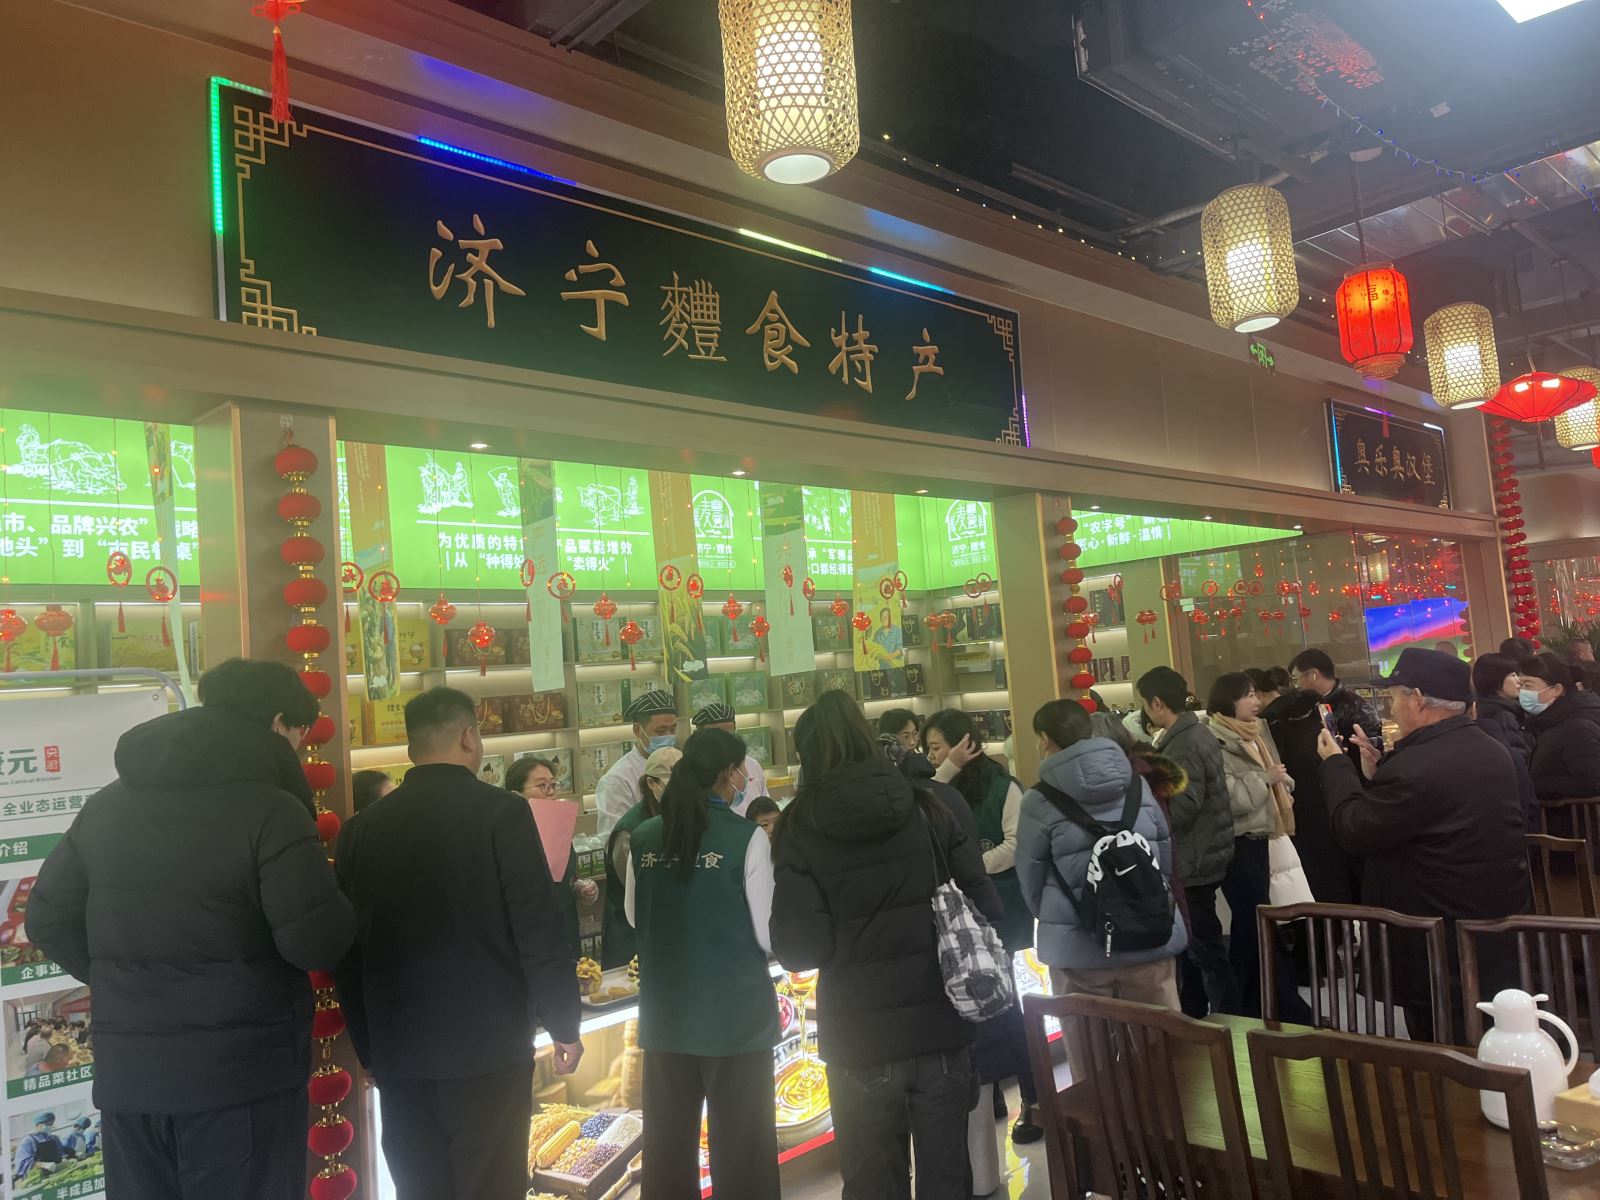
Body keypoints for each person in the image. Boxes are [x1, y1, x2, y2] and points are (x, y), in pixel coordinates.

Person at [26, 658, 354, 1200]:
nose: (299, 748)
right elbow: (315, 942)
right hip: (241, 1078)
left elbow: (45, 919)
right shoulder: (270, 810)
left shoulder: (107, 804)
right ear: (278, 724)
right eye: (300, 733)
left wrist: (126, 980)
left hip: (131, 1082)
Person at [333, 687, 582, 1200]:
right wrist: (564, 1022)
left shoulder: (360, 829)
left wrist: (368, 1048)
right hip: (488, 1044)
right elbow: (537, 926)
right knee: (491, 1183)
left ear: (411, 746)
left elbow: (348, 948)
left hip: (399, 1047)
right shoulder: (502, 813)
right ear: (469, 736)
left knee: (421, 1185)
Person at [770, 691, 1000, 1200]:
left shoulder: (799, 826)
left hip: (859, 1038)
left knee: (873, 1184)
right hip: (941, 1025)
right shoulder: (926, 805)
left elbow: (800, 948)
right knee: (948, 1180)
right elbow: (987, 905)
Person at [1318, 648, 1530, 1043]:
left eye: (1394, 697)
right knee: (1486, 1036)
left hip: (1434, 937)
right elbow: (1426, 811)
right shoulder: (1487, 747)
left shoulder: (1416, 765)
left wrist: (1336, 765)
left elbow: (1356, 831)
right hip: (1486, 921)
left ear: (1417, 698)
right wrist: (1378, 772)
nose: (1392, 708)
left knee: (1444, 1044)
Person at [625, 728, 780, 1200]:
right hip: (735, 1019)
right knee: (743, 1151)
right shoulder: (747, 838)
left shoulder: (644, 837)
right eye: (741, 771)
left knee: (667, 1151)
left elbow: (634, 916)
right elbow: (768, 933)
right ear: (729, 774)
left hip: (665, 1016)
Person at [1017, 700, 1187, 1076]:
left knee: (1091, 1063)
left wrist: (1060, 917)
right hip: (1149, 938)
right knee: (1162, 1055)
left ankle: (1106, 1116)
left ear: (1045, 739)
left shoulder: (1039, 800)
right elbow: (1163, 856)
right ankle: (1164, 1112)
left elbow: (1030, 880)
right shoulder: (1137, 785)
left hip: (1080, 950)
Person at [922, 708, 1038, 1143]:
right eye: (928, 749)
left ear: (963, 742)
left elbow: (1014, 844)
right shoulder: (939, 788)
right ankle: (990, 1094)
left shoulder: (1003, 786)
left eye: (936, 747)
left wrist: (968, 866)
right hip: (960, 918)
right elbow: (923, 805)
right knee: (979, 1013)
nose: (931, 757)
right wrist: (947, 770)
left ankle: (1033, 1097)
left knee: (1005, 1007)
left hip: (999, 910)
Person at [1207, 673, 1311, 1023]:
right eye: (1247, 695)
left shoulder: (1256, 732)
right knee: (1257, 921)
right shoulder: (1216, 738)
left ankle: (1247, 1002)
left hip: (1264, 835)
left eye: (1254, 694)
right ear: (1228, 700)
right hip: (1238, 840)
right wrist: (1267, 780)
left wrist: (1283, 785)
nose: (1255, 701)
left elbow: (1276, 772)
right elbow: (1229, 796)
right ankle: (1281, 1004)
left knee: (1253, 924)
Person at [1135, 666, 1235, 1017]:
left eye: (1144, 704)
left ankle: (1228, 1020)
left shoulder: (1184, 743)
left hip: (1193, 857)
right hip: (1204, 850)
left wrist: (1152, 824)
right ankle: (1196, 1015)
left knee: (1204, 948)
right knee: (1195, 947)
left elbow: (1185, 805)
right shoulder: (1194, 733)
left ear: (1157, 703)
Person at [507, 756, 598, 958]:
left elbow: (567, 876)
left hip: (565, 932)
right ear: (516, 795)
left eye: (553, 785)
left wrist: (579, 887)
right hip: (529, 938)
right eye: (542, 786)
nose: (550, 792)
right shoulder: (507, 837)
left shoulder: (559, 829)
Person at [602, 745, 679, 969]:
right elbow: (635, 890)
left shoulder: (676, 818)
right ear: (651, 783)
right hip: (631, 935)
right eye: (673, 785)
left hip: (669, 930)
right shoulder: (630, 831)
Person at [1519, 653, 1600, 803]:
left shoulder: (1577, 728)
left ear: (1557, 689)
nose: (1522, 692)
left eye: (1528, 685)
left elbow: (1592, 782)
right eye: (1521, 685)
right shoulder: (1546, 722)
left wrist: (1535, 784)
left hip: (1572, 816)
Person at [1287, 648, 1385, 770]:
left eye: (1296, 679)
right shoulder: (1305, 705)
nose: (1296, 686)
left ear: (1313, 674)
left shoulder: (1356, 707)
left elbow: (1374, 754)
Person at [596, 690, 678, 835]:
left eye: (672, 729)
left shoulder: (681, 763)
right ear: (638, 730)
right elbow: (616, 838)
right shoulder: (618, 779)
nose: (668, 736)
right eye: (660, 731)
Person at [1471, 653, 1537, 829]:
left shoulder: (1492, 709)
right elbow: (1519, 759)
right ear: (1495, 679)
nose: (1519, 681)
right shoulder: (1503, 715)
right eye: (1513, 675)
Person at [691, 702, 768, 814]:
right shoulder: (693, 769)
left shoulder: (752, 765)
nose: (724, 741)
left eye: (728, 733)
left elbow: (765, 805)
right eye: (718, 735)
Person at [13, 1112, 63, 1182]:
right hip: (37, 1177)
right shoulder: (28, 1140)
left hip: (54, 1173)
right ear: (37, 1124)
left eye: (51, 1124)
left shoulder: (51, 1137)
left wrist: (63, 1159)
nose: (49, 1126)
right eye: (47, 1124)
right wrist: (43, 1165)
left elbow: (60, 1152)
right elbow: (23, 1163)